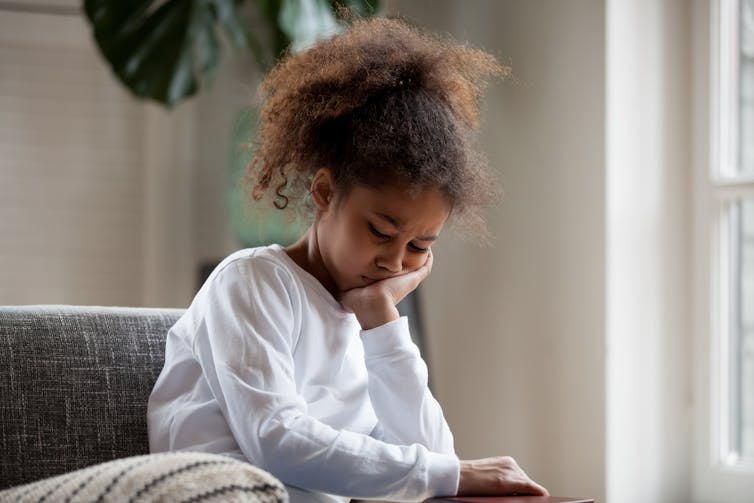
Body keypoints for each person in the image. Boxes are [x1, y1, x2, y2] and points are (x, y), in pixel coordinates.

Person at [147, 16, 549, 502]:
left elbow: (428, 454)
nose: (395, 262)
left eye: (420, 247)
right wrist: (448, 473)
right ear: (323, 191)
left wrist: (382, 322)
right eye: (380, 230)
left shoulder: (362, 319)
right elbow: (276, 438)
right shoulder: (252, 283)